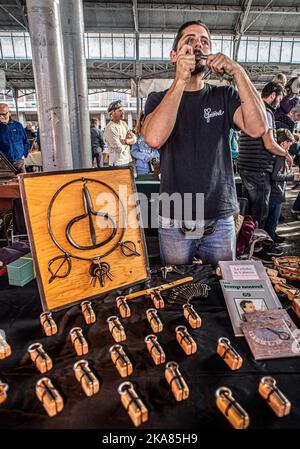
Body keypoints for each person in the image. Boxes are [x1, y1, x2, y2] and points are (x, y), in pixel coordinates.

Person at [142, 20, 267, 266]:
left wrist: (238, 72)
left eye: (204, 41)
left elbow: (258, 127)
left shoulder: (223, 95)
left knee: (222, 290)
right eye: (189, 40)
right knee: (177, 288)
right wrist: (180, 80)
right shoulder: (157, 99)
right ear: (174, 55)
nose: (198, 44)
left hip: (220, 218)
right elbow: (154, 138)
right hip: (175, 217)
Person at [238, 82, 292, 238]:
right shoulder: (265, 112)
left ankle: (246, 245)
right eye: (280, 97)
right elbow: (269, 144)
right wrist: (285, 153)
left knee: (247, 211)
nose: (281, 101)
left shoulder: (251, 109)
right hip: (258, 170)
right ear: (273, 95)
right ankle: (257, 248)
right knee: (259, 212)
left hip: (246, 167)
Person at [262, 129, 299, 260]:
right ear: (283, 143)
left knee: (273, 220)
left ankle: (270, 240)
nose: (289, 146)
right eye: (289, 143)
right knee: (272, 221)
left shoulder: (278, 155)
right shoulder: (280, 156)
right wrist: (292, 177)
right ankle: (269, 246)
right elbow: (276, 175)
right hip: (276, 193)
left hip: (275, 193)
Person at [104, 100, 136, 167]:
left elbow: (135, 138)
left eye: (123, 110)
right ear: (112, 113)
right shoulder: (110, 128)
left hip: (128, 160)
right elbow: (119, 149)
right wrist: (130, 141)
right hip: (118, 163)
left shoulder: (123, 123)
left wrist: (126, 141)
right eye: (120, 111)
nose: (123, 112)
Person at [0, 103, 30, 173]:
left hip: (19, 161)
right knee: (7, 183)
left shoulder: (18, 125)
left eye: (4, 114)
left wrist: (24, 155)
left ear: (9, 113)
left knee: (23, 182)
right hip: (4, 164)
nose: (1, 116)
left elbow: (26, 142)